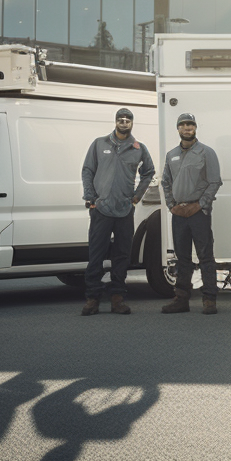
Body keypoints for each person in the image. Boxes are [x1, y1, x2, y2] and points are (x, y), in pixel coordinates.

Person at [80, 107, 155, 316]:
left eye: (127, 120)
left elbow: (149, 172)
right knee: (96, 256)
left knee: (122, 256)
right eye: (120, 119)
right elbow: (87, 170)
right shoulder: (99, 144)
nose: (124, 123)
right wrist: (91, 197)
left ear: (132, 123)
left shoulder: (138, 148)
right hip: (101, 210)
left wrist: (137, 196)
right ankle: (92, 299)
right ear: (115, 122)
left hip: (124, 211)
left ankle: (117, 299)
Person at [160, 113, 222, 314]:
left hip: (199, 213)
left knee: (205, 256)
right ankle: (181, 299)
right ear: (178, 128)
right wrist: (172, 205)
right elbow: (165, 182)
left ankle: (209, 299)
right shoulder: (171, 155)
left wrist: (199, 205)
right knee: (182, 258)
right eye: (183, 125)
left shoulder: (206, 152)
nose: (187, 128)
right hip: (179, 213)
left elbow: (215, 182)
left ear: (195, 128)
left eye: (190, 125)